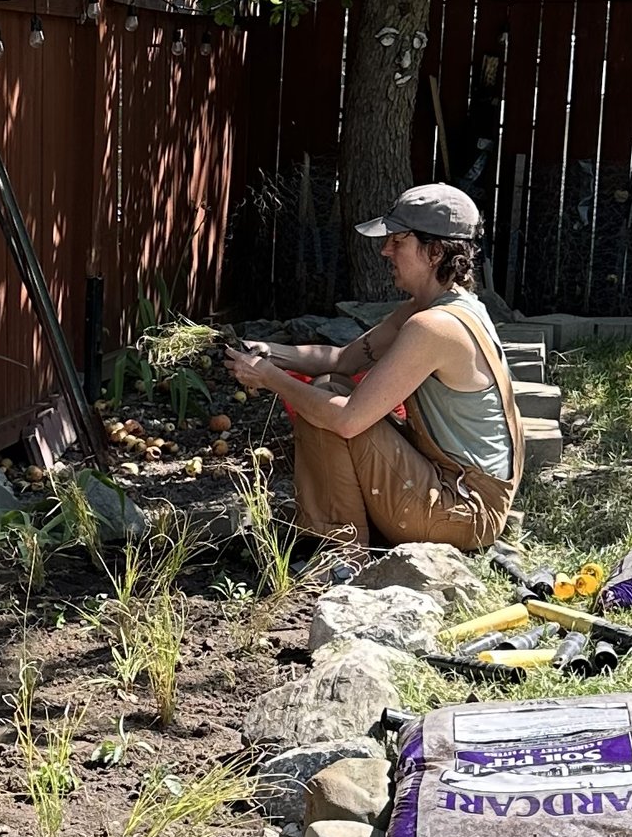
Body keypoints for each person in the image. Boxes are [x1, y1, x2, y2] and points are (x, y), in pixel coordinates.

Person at [220, 182, 523, 558]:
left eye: (397, 241)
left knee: (329, 409)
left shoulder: (436, 327)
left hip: (464, 512)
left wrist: (270, 379)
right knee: (332, 383)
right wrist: (268, 352)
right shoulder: (433, 309)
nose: (385, 250)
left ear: (434, 252)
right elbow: (343, 361)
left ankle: (339, 554)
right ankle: (341, 534)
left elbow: (348, 421)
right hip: (456, 490)